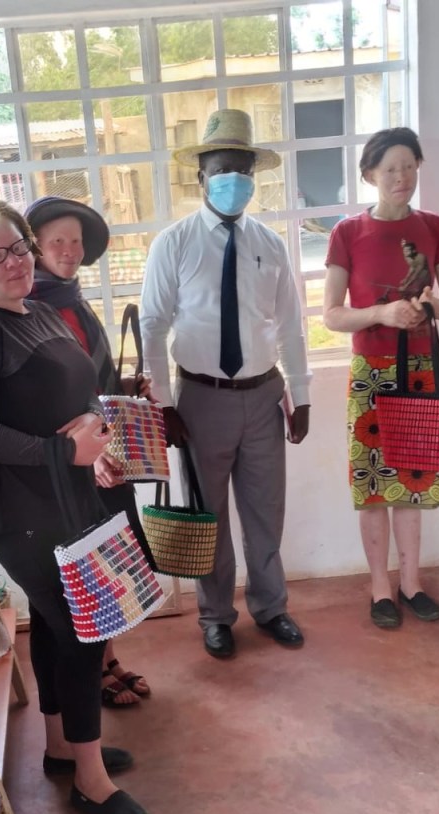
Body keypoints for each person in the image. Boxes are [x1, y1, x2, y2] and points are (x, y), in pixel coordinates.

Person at [0, 200, 149, 814]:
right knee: (83, 627)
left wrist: (97, 438)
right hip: (17, 503)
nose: (16, 263)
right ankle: (90, 779)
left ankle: (62, 749)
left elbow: (83, 393)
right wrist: (62, 451)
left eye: (20, 248)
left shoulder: (42, 312)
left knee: (60, 627)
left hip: (68, 492)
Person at [140, 109, 312, 660]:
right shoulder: (174, 243)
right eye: (222, 170)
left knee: (265, 511)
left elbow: (290, 325)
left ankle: (271, 606)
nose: (234, 180)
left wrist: (302, 396)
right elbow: (152, 325)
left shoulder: (270, 244)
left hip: (263, 396)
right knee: (207, 515)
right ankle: (215, 616)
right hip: (201, 400)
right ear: (201, 177)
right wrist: (163, 404)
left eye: (243, 170)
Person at [322, 126, 439, 629]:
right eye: (389, 170)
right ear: (369, 175)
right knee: (371, 485)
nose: (401, 177)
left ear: (418, 167)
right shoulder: (347, 233)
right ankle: (380, 586)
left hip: (420, 371)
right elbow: (332, 315)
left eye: (408, 166)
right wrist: (381, 314)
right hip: (370, 374)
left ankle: (411, 583)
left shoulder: (435, 228)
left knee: (412, 484)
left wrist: (427, 306)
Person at [24, 195, 154, 709]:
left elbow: (89, 381)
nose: (69, 250)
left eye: (76, 241)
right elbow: (44, 398)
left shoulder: (73, 302)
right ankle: (91, 671)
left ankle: (106, 659)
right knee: (85, 571)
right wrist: (86, 452)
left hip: (103, 452)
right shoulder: (30, 309)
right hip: (69, 462)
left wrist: (127, 387)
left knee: (108, 563)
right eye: (56, 240)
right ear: (34, 247)